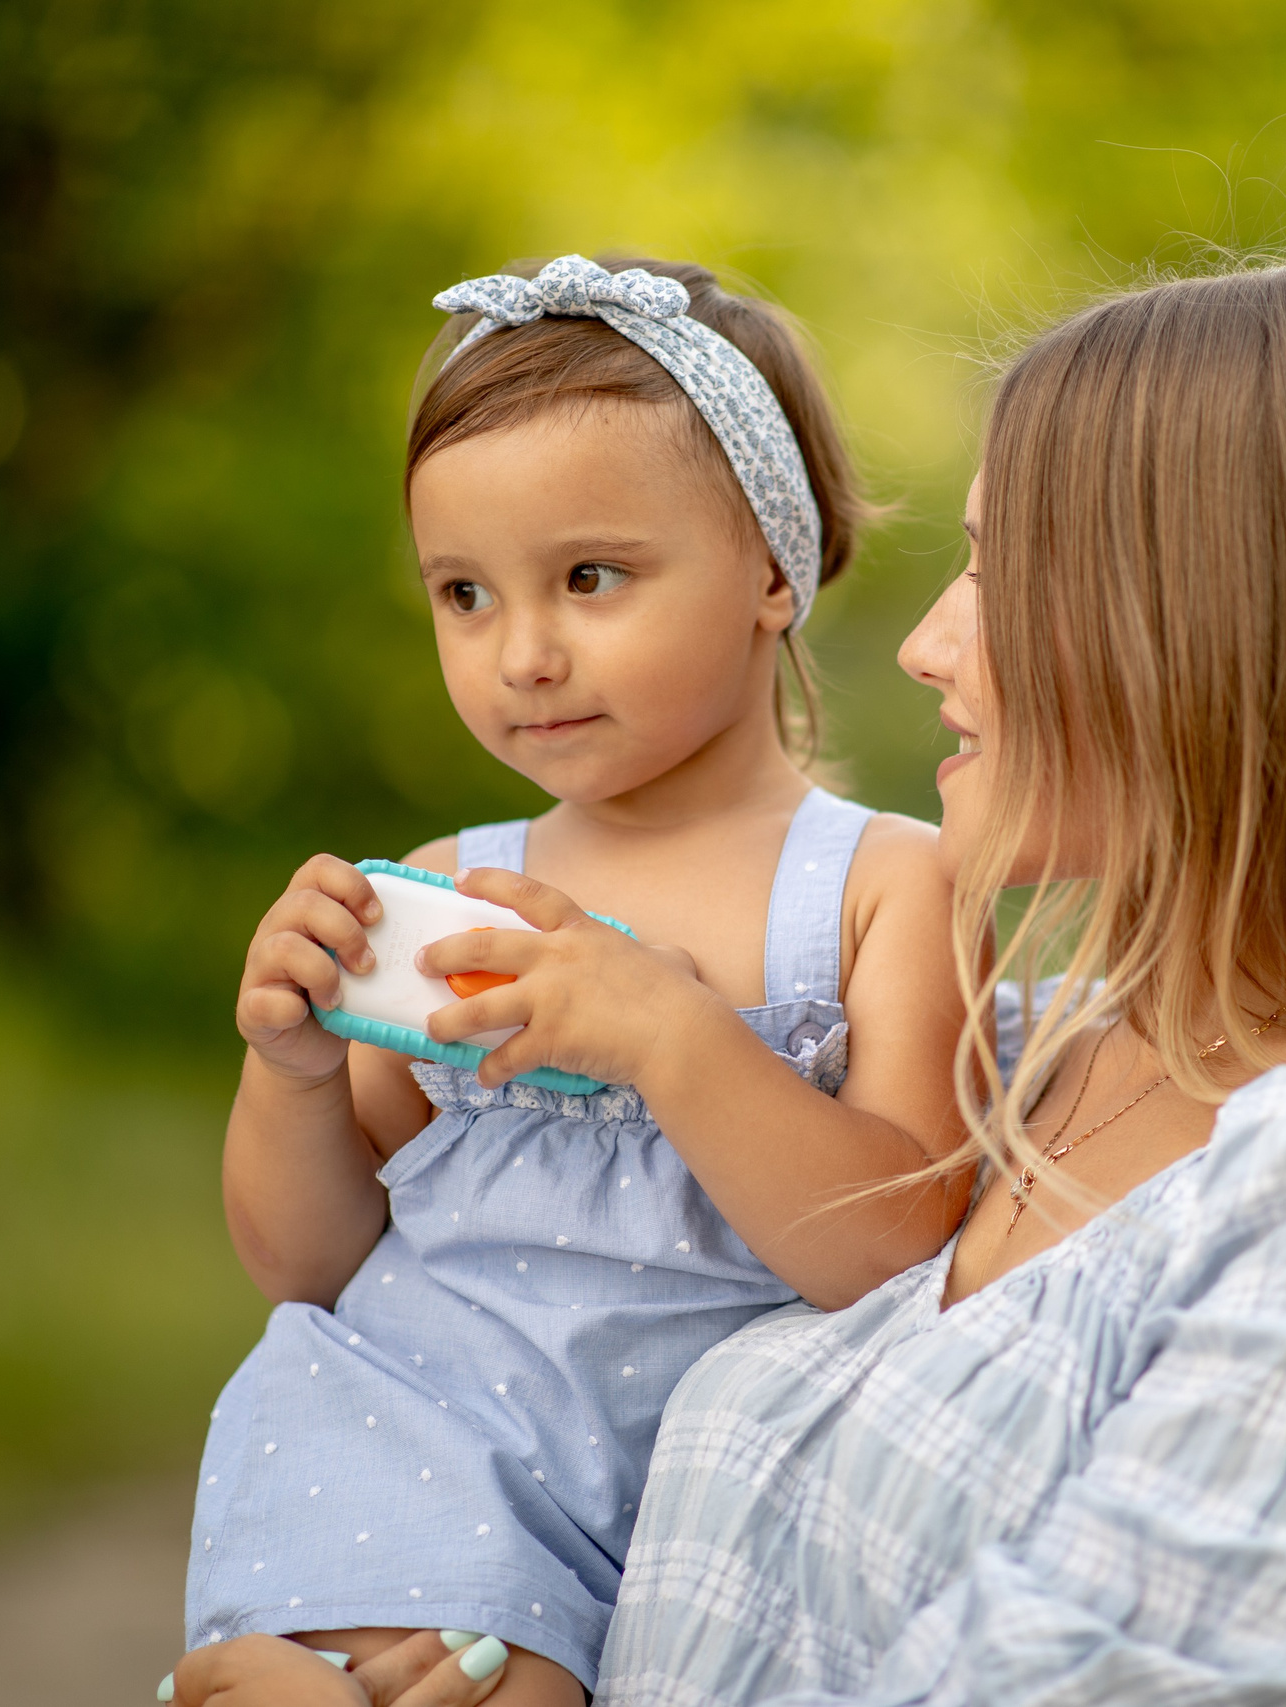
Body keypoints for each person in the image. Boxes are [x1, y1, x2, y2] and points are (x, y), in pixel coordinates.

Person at [171, 259, 1286, 1707]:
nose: (917, 641)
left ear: (1219, 631)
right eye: (464, 594)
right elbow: (349, 1272)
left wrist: (682, 1042)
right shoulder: (1045, 1057)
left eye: (1000, 565)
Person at [178, 256, 968, 1707]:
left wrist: (677, 1039)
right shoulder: (446, 886)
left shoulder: (876, 882)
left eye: (590, 579)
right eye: (464, 595)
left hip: (660, 1507)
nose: (523, 656)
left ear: (773, 571)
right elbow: (315, 1266)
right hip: (403, 1447)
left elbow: (898, 1249)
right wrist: (289, 1073)